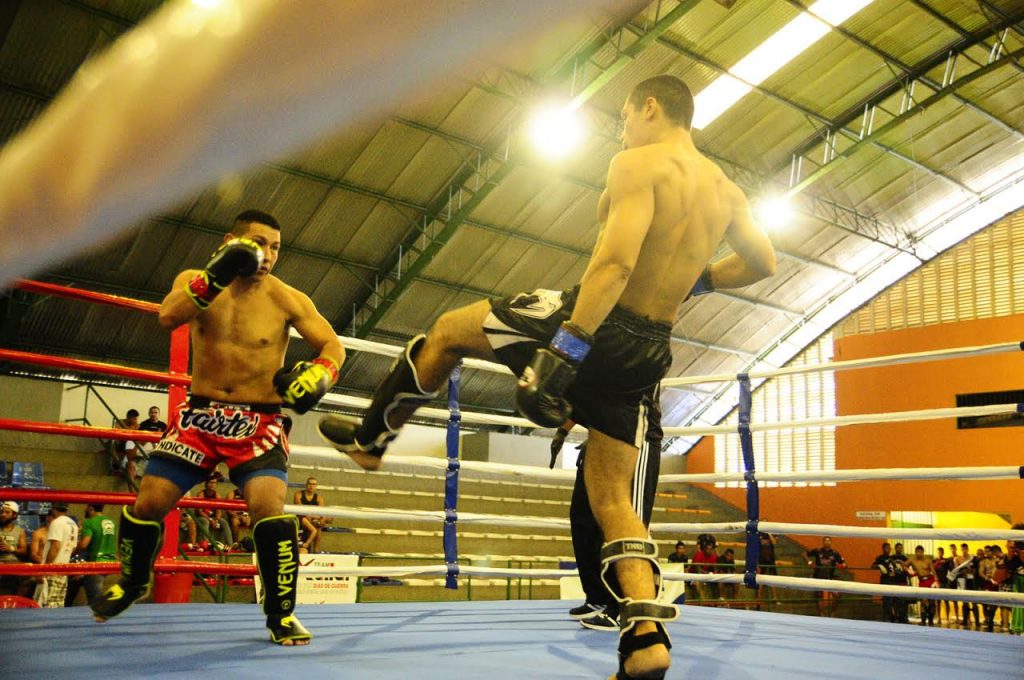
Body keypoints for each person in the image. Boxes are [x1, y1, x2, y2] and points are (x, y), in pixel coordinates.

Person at [319, 74, 775, 679]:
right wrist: (700, 278)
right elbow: (763, 262)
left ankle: (372, 440)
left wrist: (566, 345)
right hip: (650, 347)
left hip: (594, 324)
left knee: (450, 330)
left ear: (650, 106)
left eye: (624, 114)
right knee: (613, 498)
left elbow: (614, 262)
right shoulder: (726, 190)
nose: (622, 127)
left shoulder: (638, 162)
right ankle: (645, 634)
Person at [89, 209, 344, 646]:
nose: (267, 255)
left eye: (276, 248)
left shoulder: (287, 298)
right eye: (259, 244)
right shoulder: (196, 279)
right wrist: (222, 270)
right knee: (148, 501)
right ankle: (133, 582)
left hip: (258, 421)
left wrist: (321, 373)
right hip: (200, 418)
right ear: (232, 241)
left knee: (270, 506)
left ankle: (281, 615)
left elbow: (332, 344)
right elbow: (168, 316)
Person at [563, 426, 661, 633]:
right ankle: (598, 596)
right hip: (600, 441)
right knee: (584, 520)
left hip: (635, 437)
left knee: (628, 523)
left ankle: (626, 607)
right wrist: (563, 430)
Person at [36, 503, 79, 608]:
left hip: (53, 569)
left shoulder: (57, 522)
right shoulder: (73, 524)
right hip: (64, 568)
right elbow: (73, 548)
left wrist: (46, 569)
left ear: (53, 510)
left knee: (46, 604)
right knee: (58, 604)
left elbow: (55, 546)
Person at [75, 504, 118, 605]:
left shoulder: (89, 522)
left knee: (94, 600)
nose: (85, 509)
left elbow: (84, 543)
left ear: (91, 507)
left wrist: (73, 551)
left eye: (86, 506)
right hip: (111, 561)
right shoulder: (111, 522)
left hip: (97, 563)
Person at [805, 536, 845, 617]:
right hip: (818, 576)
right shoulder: (817, 550)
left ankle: (833, 613)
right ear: (823, 542)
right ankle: (821, 614)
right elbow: (804, 554)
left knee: (837, 595)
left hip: (830, 577)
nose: (827, 542)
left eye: (829, 541)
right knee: (818, 596)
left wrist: (842, 565)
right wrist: (809, 561)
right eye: (825, 541)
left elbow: (843, 563)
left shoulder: (835, 553)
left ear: (831, 542)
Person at [294, 477, 330, 553]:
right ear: (306, 485)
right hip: (302, 520)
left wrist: (320, 520)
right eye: (310, 484)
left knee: (321, 522)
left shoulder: (319, 498)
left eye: (314, 484)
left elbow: (321, 513)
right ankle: (315, 549)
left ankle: (315, 550)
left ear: (316, 486)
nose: (311, 486)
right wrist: (315, 517)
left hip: (313, 521)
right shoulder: (298, 494)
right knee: (313, 521)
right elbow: (300, 510)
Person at [0, 500, 28, 596]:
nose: (3, 515)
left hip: (12, 562)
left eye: (7, 512)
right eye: (2, 511)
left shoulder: (20, 531)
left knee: (30, 576)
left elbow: (24, 551)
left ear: (14, 515)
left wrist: (10, 548)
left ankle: (16, 603)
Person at [906, 545, 937, 625]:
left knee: (932, 602)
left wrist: (936, 581)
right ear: (915, 552)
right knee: (923, 601)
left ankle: (931, 620)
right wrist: (910, 571)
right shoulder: (912, 560)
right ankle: (923, 620)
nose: (919, 553)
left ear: (923, 552)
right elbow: (904, 565)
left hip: (930, 580)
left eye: (920, 552)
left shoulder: (928, 561)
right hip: (922, 581)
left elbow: (933, 571)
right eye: (917, 552)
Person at [114, 409, 142, 480]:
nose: (136, 420)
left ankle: (126, 466)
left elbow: (135, 437)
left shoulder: (137, 425)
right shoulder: (120, 422)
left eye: (136, 418)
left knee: (131, 443)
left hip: (129, 444)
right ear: (129, 417)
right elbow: (118, 435)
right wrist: (130, 429)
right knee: (113, 441)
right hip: (119, 443)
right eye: (134, 418)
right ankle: (119, 466)